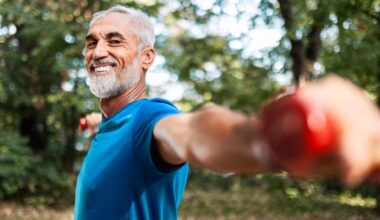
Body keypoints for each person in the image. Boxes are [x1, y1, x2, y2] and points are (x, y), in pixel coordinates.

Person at [75, 4, 380, 220]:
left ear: (146, 58)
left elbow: (194, 132)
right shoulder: (115, 125)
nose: (98, 51)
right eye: (91, 43)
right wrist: (95, 123)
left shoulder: (148, 119)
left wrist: (267, 138)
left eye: (115, 41)